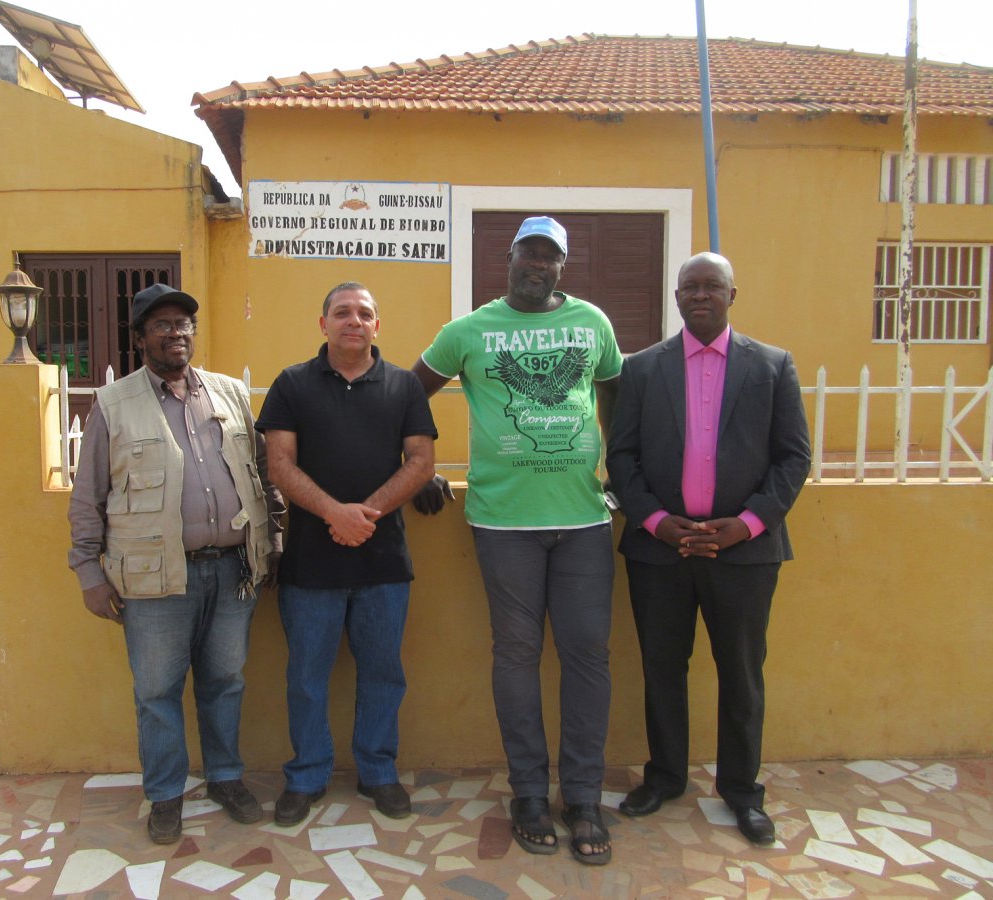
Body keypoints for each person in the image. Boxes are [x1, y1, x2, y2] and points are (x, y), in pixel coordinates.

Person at [412, 217, 621, 865]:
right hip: (504, 525)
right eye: (529, 254)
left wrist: (620, 475)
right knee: (517, 655)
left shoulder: (593, 324)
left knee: (588, 656)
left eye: (550, 257)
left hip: (584, 522)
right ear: (508, 259)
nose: (539, 265)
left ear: (562, 264)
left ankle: (582, 796)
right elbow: (405, 395)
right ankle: (529, 793)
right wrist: (421, 466)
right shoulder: (468, 332)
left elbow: (613, 397)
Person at [605, 251, 811, 845]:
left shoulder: (771, 366)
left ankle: (743, 791)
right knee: (662, 669)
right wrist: (655, 522)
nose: (700, 295)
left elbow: (794, 457)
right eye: (690, 286)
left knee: (741, 674)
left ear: (731, 295)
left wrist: (747, 523)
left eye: (712, 286)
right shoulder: (642, 369)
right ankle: (666, 776)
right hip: (660, 552)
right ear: (676, 298)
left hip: (743, 553)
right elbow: (622, 457)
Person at [68, 282, 284, 845]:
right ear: (140, 338)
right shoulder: (113, 406)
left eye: (183, 323)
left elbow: (262, 475)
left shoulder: (230, 394)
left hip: (234, 569)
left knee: (225, 681)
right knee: (157, 689)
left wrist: (274, 542)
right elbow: (87, 496)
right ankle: (165, 793)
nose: (176, 333)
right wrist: (89, 573)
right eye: (161, 324)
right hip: (155, 576)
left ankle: (226, 778)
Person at [257, 282, 437, 827]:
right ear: (324, 324)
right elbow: (279, 464)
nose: (352, 321)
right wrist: (335, 513)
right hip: (310, 565)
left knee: (383, 672)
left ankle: (379, 772)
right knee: (307, 676)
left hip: (383, 564)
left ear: (377, 325)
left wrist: (364, 516)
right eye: (342, 312)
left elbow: (421, 462)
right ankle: (306, 776)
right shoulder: (291, 384)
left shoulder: (405, 386)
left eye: (363, 313)